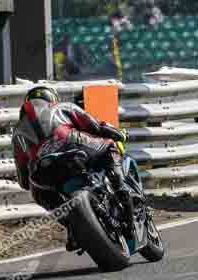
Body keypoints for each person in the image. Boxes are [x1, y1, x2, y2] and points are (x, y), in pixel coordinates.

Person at [11, 86, 134, 249]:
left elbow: (23, 180)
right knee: (110, 145)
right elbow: (96, 126)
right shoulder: (63, 107)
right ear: (52, 99)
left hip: (44, 169)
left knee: (37, 190)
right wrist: (119, 134)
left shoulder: (17, 133)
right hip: (76, 147)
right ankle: (122, 191)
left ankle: (72, 227)